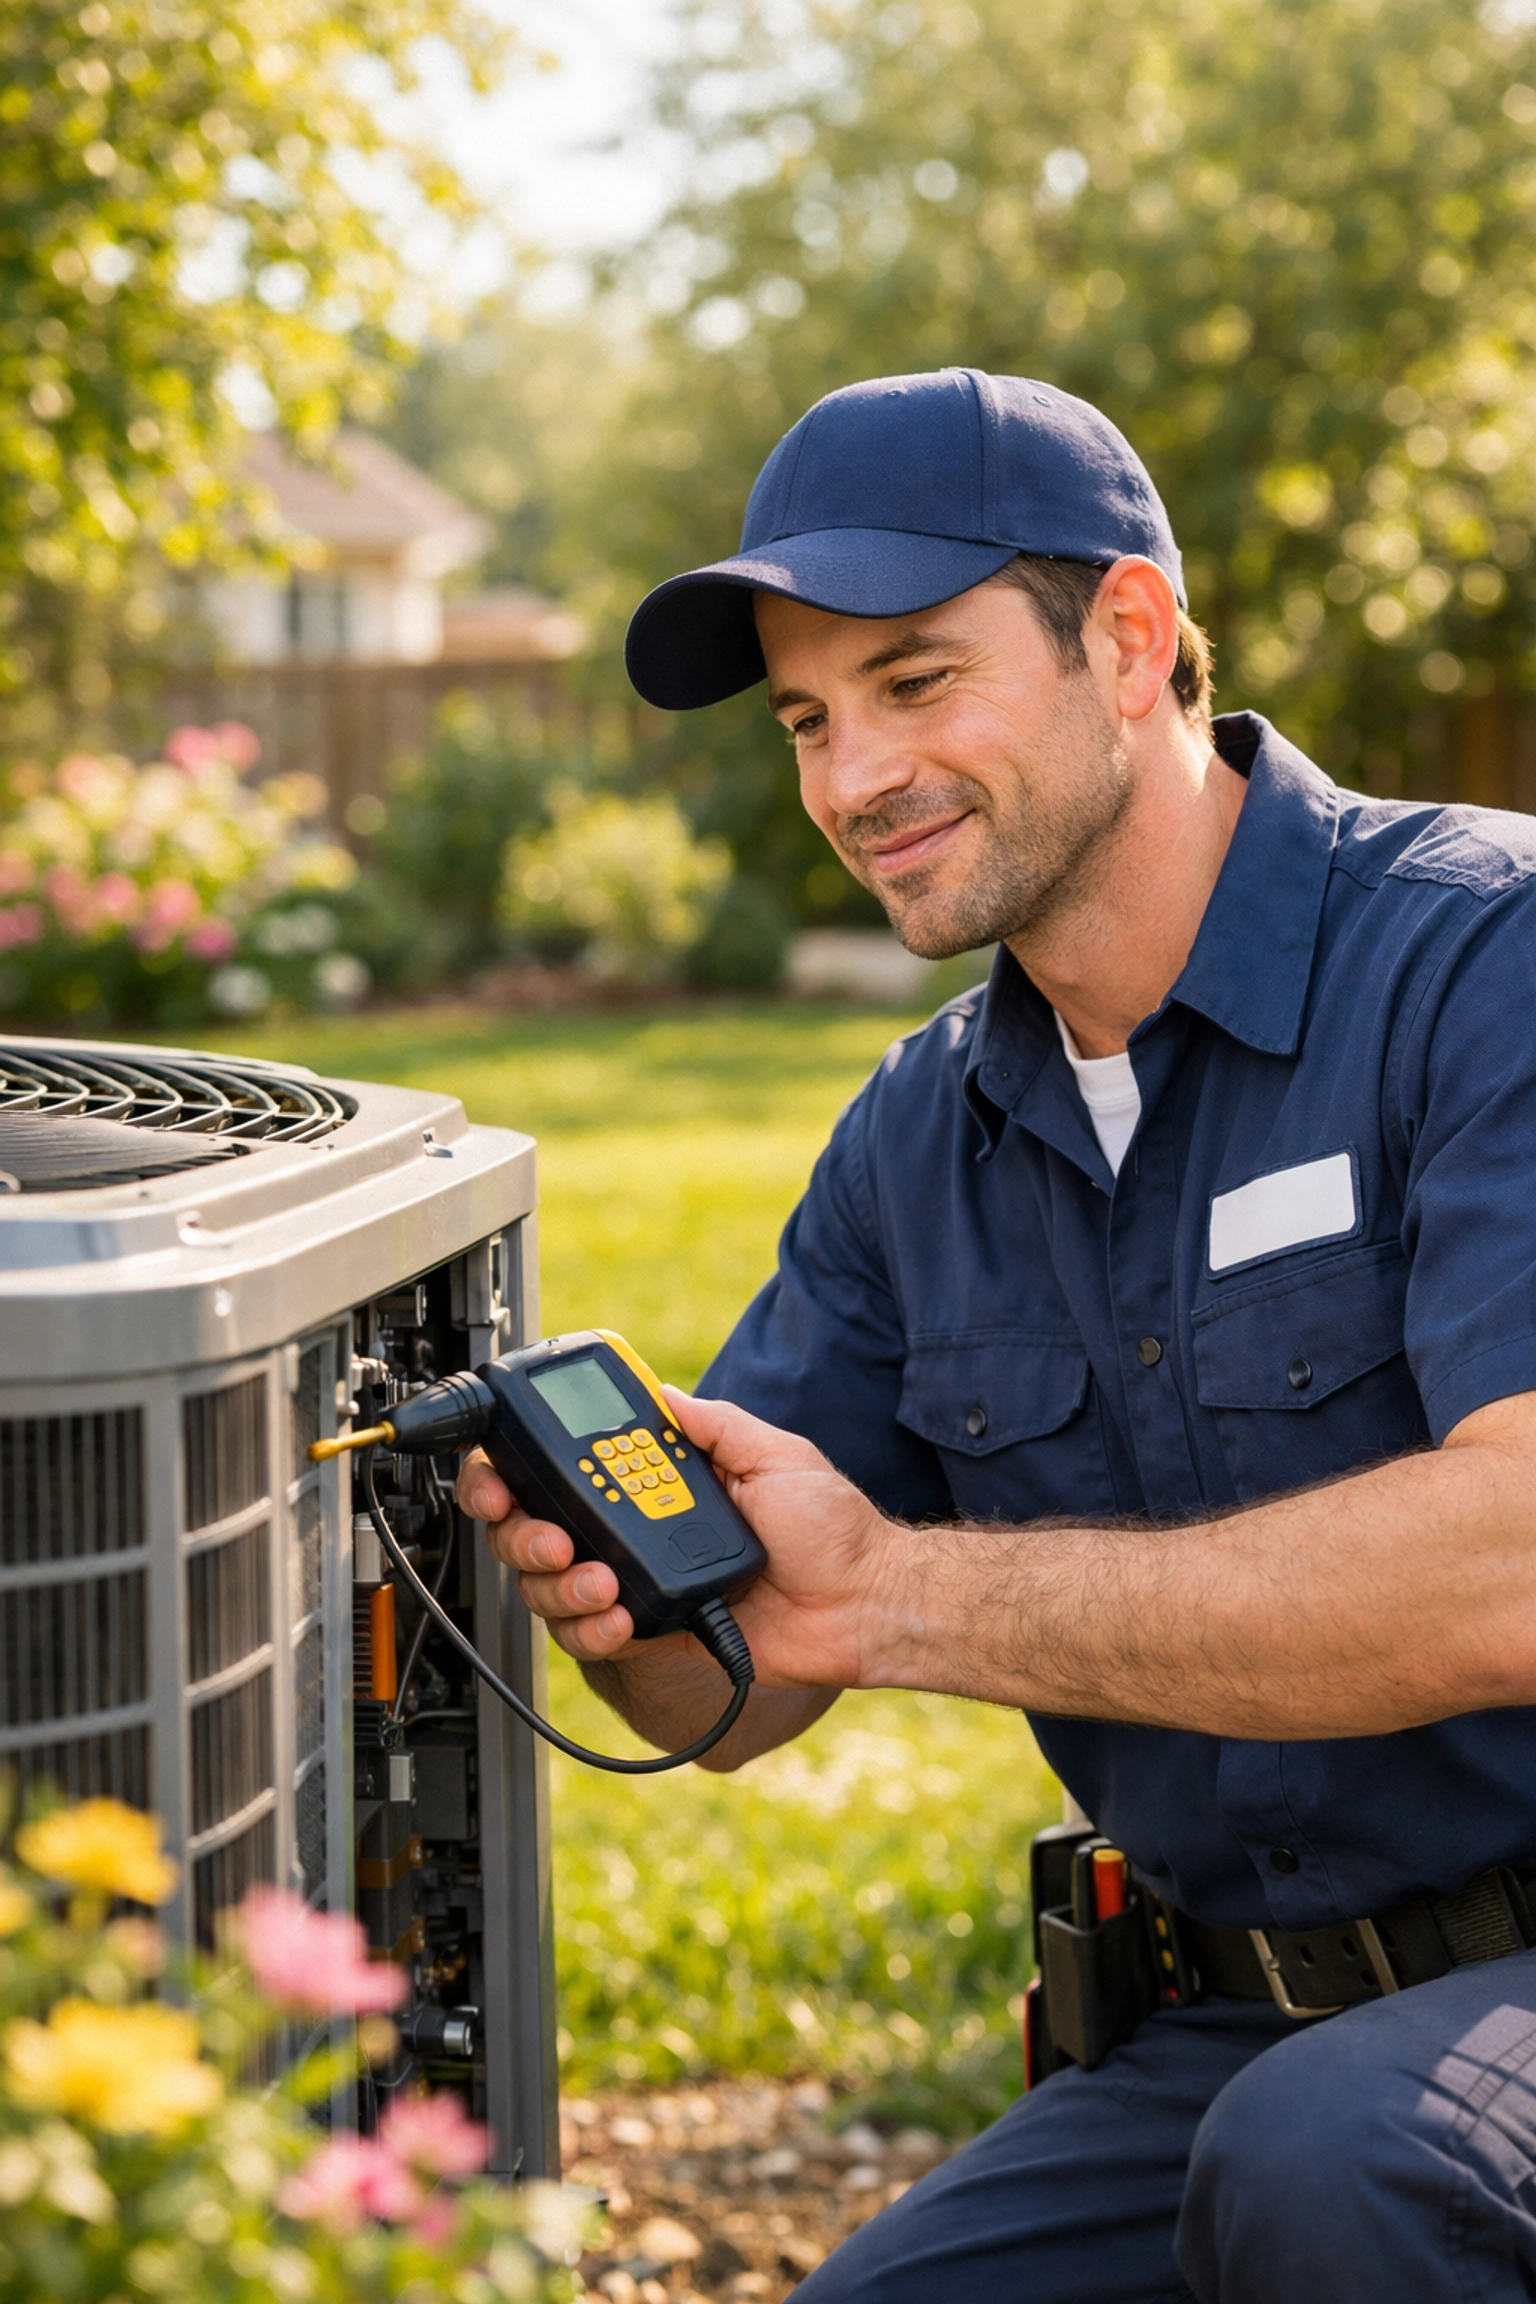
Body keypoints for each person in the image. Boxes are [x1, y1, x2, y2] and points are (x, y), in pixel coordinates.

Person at [456, 368, 1536, 2301]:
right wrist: (616, 1581)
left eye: (915, 680)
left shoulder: (1486, 961)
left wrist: (899, 1598)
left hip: (1450, 2051)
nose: (852, 777)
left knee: (1336, 2163)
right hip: (1234, 2029)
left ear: (1127, 638)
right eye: (808, 715)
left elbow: (1517, 1562)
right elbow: (739, 1698)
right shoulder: (915, 1142)